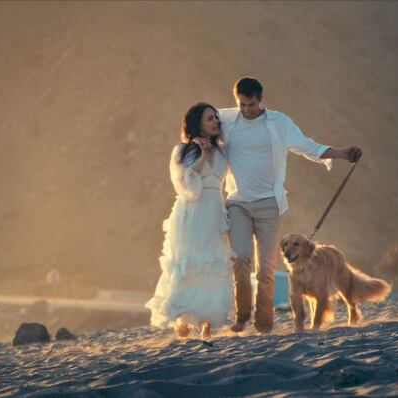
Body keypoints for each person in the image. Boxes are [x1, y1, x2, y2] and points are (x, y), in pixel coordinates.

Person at [220, 77, 362, 334]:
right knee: (240, 258)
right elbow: (199, 122)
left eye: (250, 104)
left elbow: (308, 146)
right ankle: (242, 316)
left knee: (266, 266)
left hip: (268, 204)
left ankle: (263, 323)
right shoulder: (226, 120)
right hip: (238, 202)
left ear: (259, 100)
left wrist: (342, 153)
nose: (246, 110)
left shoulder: (279, 123)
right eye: (241, 104)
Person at [146, 102, 234, 340]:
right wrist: (203, 157)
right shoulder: (183, 151)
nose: (215, 121)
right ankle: (183, 320)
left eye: (216, 117)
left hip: (215, 209)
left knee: (214, 262)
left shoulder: (223, 151)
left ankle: (207, 322)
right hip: (194, 211)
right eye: (209, 119)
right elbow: (185, 185)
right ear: (197, 123)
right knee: (191, 262)